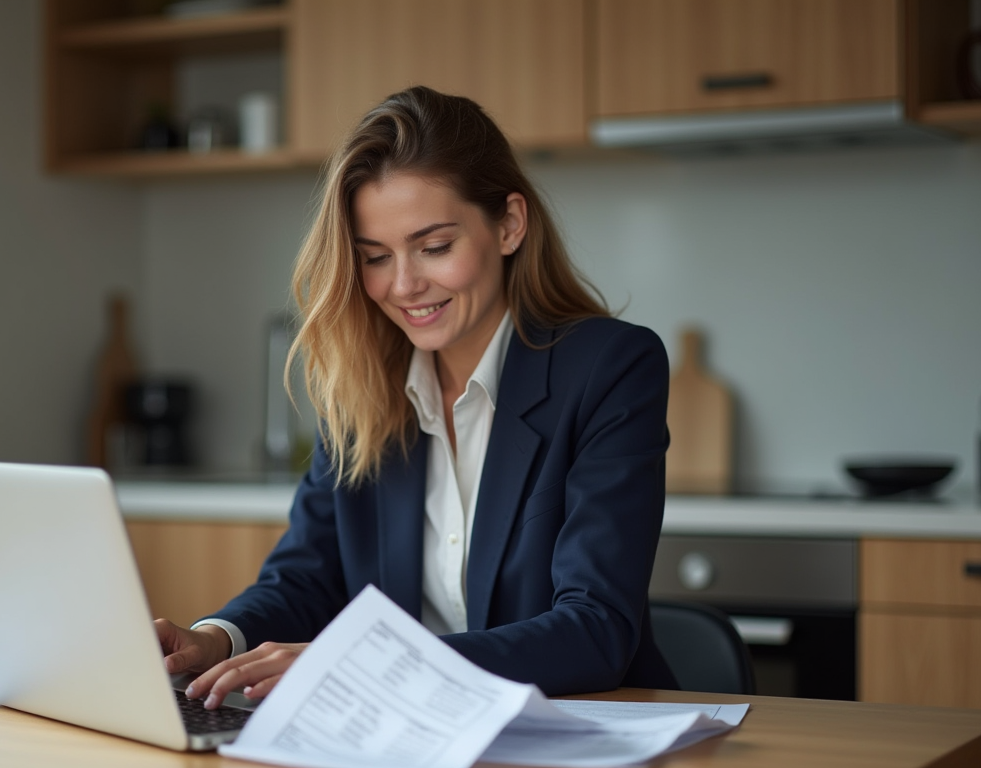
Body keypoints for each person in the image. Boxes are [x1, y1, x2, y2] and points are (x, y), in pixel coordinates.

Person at [156, 86, 676, 710]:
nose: (403, 285)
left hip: (579, 737)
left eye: (434, 247)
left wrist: (359, 664)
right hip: (407, 739)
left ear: (509, 224)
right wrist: (213, 640)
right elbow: (305, 579)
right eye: (375, 257)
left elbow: (595, 630)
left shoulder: (610, 368)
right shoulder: (363, 385)